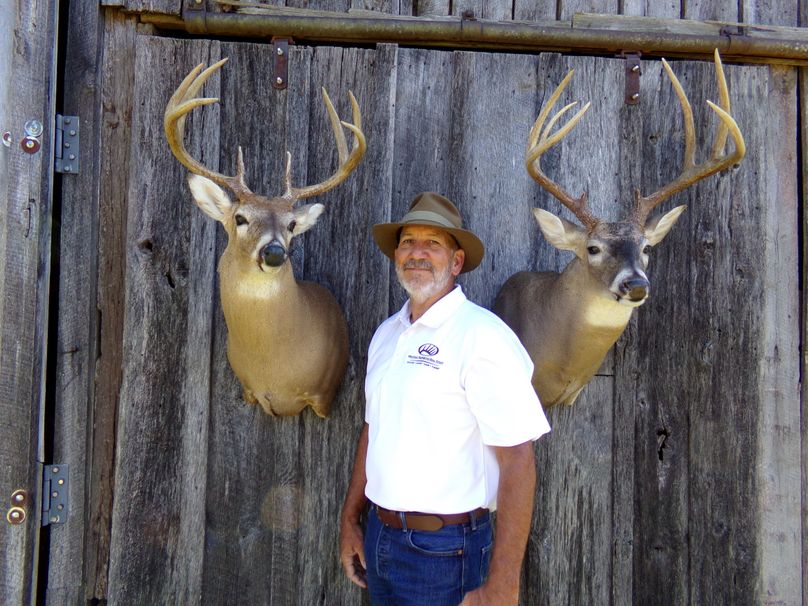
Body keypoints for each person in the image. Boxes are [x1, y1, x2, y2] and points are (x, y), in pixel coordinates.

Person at [339, 192, 551, 605]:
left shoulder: (482, 337)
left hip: (447, 551)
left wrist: (503, 586)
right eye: (407, 242)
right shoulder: (387, 335)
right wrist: (351, 520)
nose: (417, 253)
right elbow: (373, 430)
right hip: (380, 539)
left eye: (432, 243)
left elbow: (519, 460)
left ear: (456, 262)